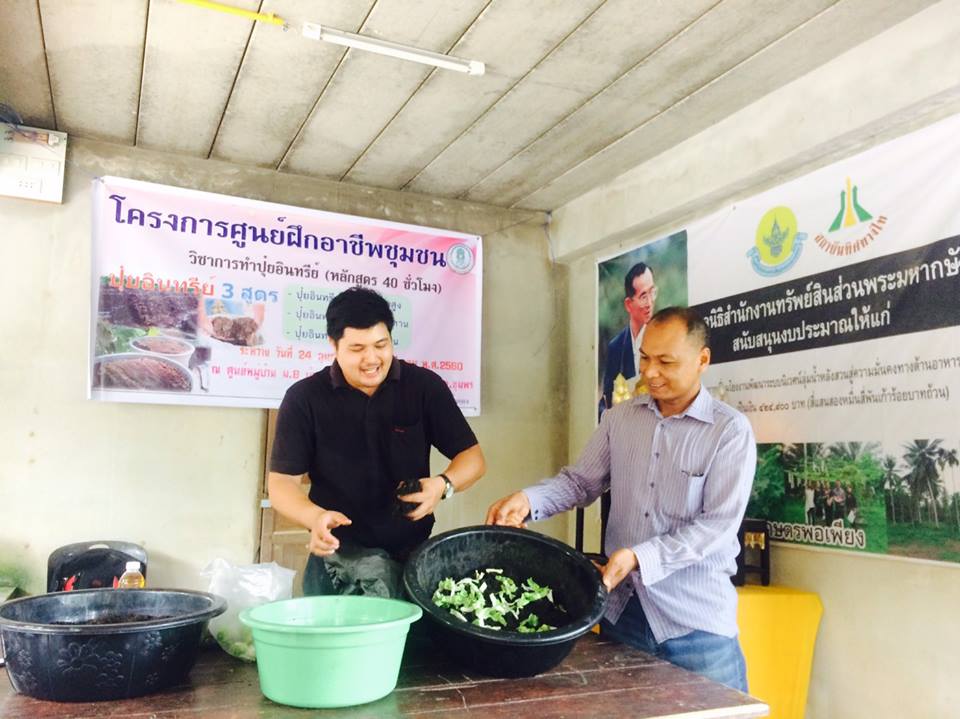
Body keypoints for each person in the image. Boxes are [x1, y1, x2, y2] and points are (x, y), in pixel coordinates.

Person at [488, 307, 755, 692]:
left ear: (702, 360)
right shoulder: (620, 419)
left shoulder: (729, 431)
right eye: (644, 358)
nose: (650, 372)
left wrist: (639, 557)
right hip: (623, 614)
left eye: (666, 362)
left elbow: (717, 526)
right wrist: (529, 500)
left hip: (696, 625)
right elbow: (580, 482)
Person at [268, 286, 486, 597]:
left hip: (411, 557)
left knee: (413, 629)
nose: (372, 359)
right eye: (357, 348)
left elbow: (473, 459)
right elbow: (282, 483)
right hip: (336, 556)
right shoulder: (304, 398)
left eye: (381, 345)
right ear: (333, 344)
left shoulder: (423, 387)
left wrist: (442, 485)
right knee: (331, 629)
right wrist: (314, 517)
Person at [600, 262, 658, 412]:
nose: (650, 302)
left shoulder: (663, 339)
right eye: (643, 296)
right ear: (628, 304)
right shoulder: (616, 346)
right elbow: (605, 402)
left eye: (652, 292)